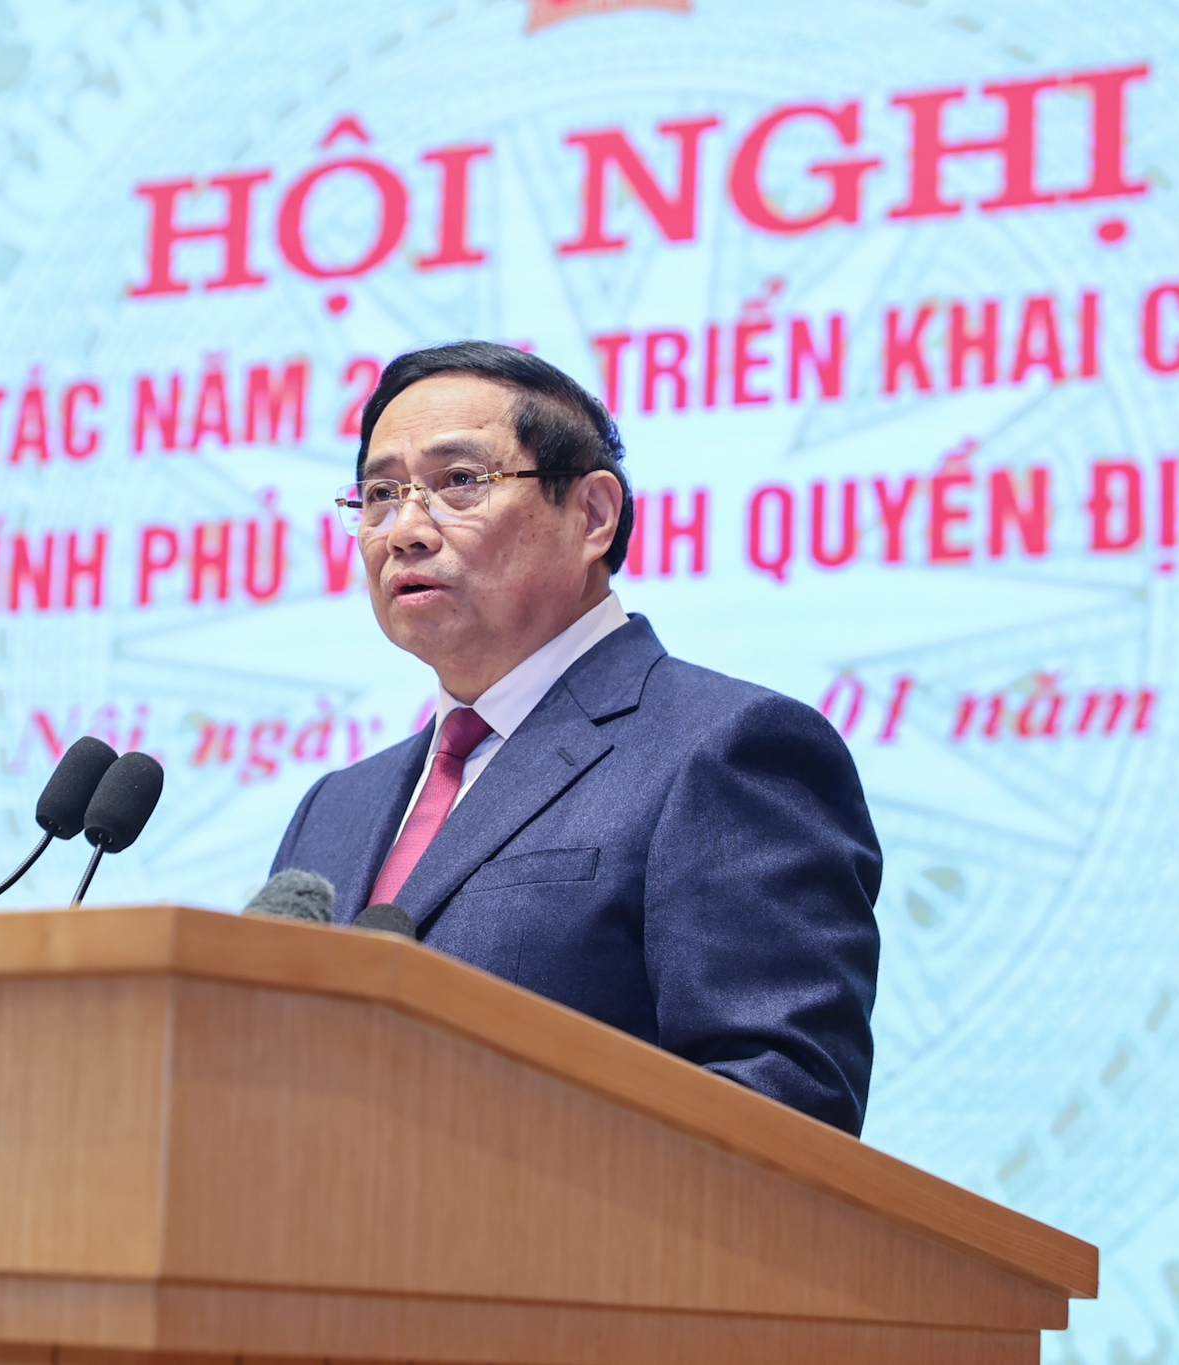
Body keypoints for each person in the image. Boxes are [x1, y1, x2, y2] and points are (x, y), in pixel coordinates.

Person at [270, 341, 881, 1135]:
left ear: (592, 514)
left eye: (459, 481)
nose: (405, 530)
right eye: (381, 494)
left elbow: (781, 1109)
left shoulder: (728, 750)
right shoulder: (335, 808)